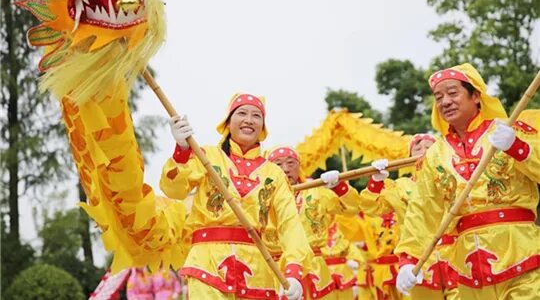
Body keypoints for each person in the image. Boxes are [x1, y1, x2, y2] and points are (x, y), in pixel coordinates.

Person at [395, 63, 540, 299]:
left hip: (521, 255)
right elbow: (422, 209)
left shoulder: (509, 131)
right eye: (439, 97)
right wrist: (408, 258)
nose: (445, 102)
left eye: (453, 93)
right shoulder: (435, 155)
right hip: (469, 269)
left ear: (475, 96)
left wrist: (518, 148)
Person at [160, 93, 313, 299]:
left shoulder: (273, 173)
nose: (249, 120)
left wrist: (294, 270)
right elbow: (174, 190)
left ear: (263, 127)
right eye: (242, 113)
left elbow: (290, 223)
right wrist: (182, 150)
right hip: (208, 262)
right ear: (228, 122)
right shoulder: (206, 155)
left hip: (256, 269)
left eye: (256, 116)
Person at [359, 134, 460, 300]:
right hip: (418, 256)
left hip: (454, 253)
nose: (423, 151)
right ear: (409, 156)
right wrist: (376, 181)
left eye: (429, 147)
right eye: (418, 148)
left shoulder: (453, 178)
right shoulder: (400, 186)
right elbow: (372, 207)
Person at [267, 145, 362, 299]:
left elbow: (352, 208)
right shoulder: (262, 198)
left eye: (290, 163)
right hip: (277, 268)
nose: (285, 169)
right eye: (278, 165)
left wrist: (339, 187)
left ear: (299, 166)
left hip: (314, 267)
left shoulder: (317, 192)